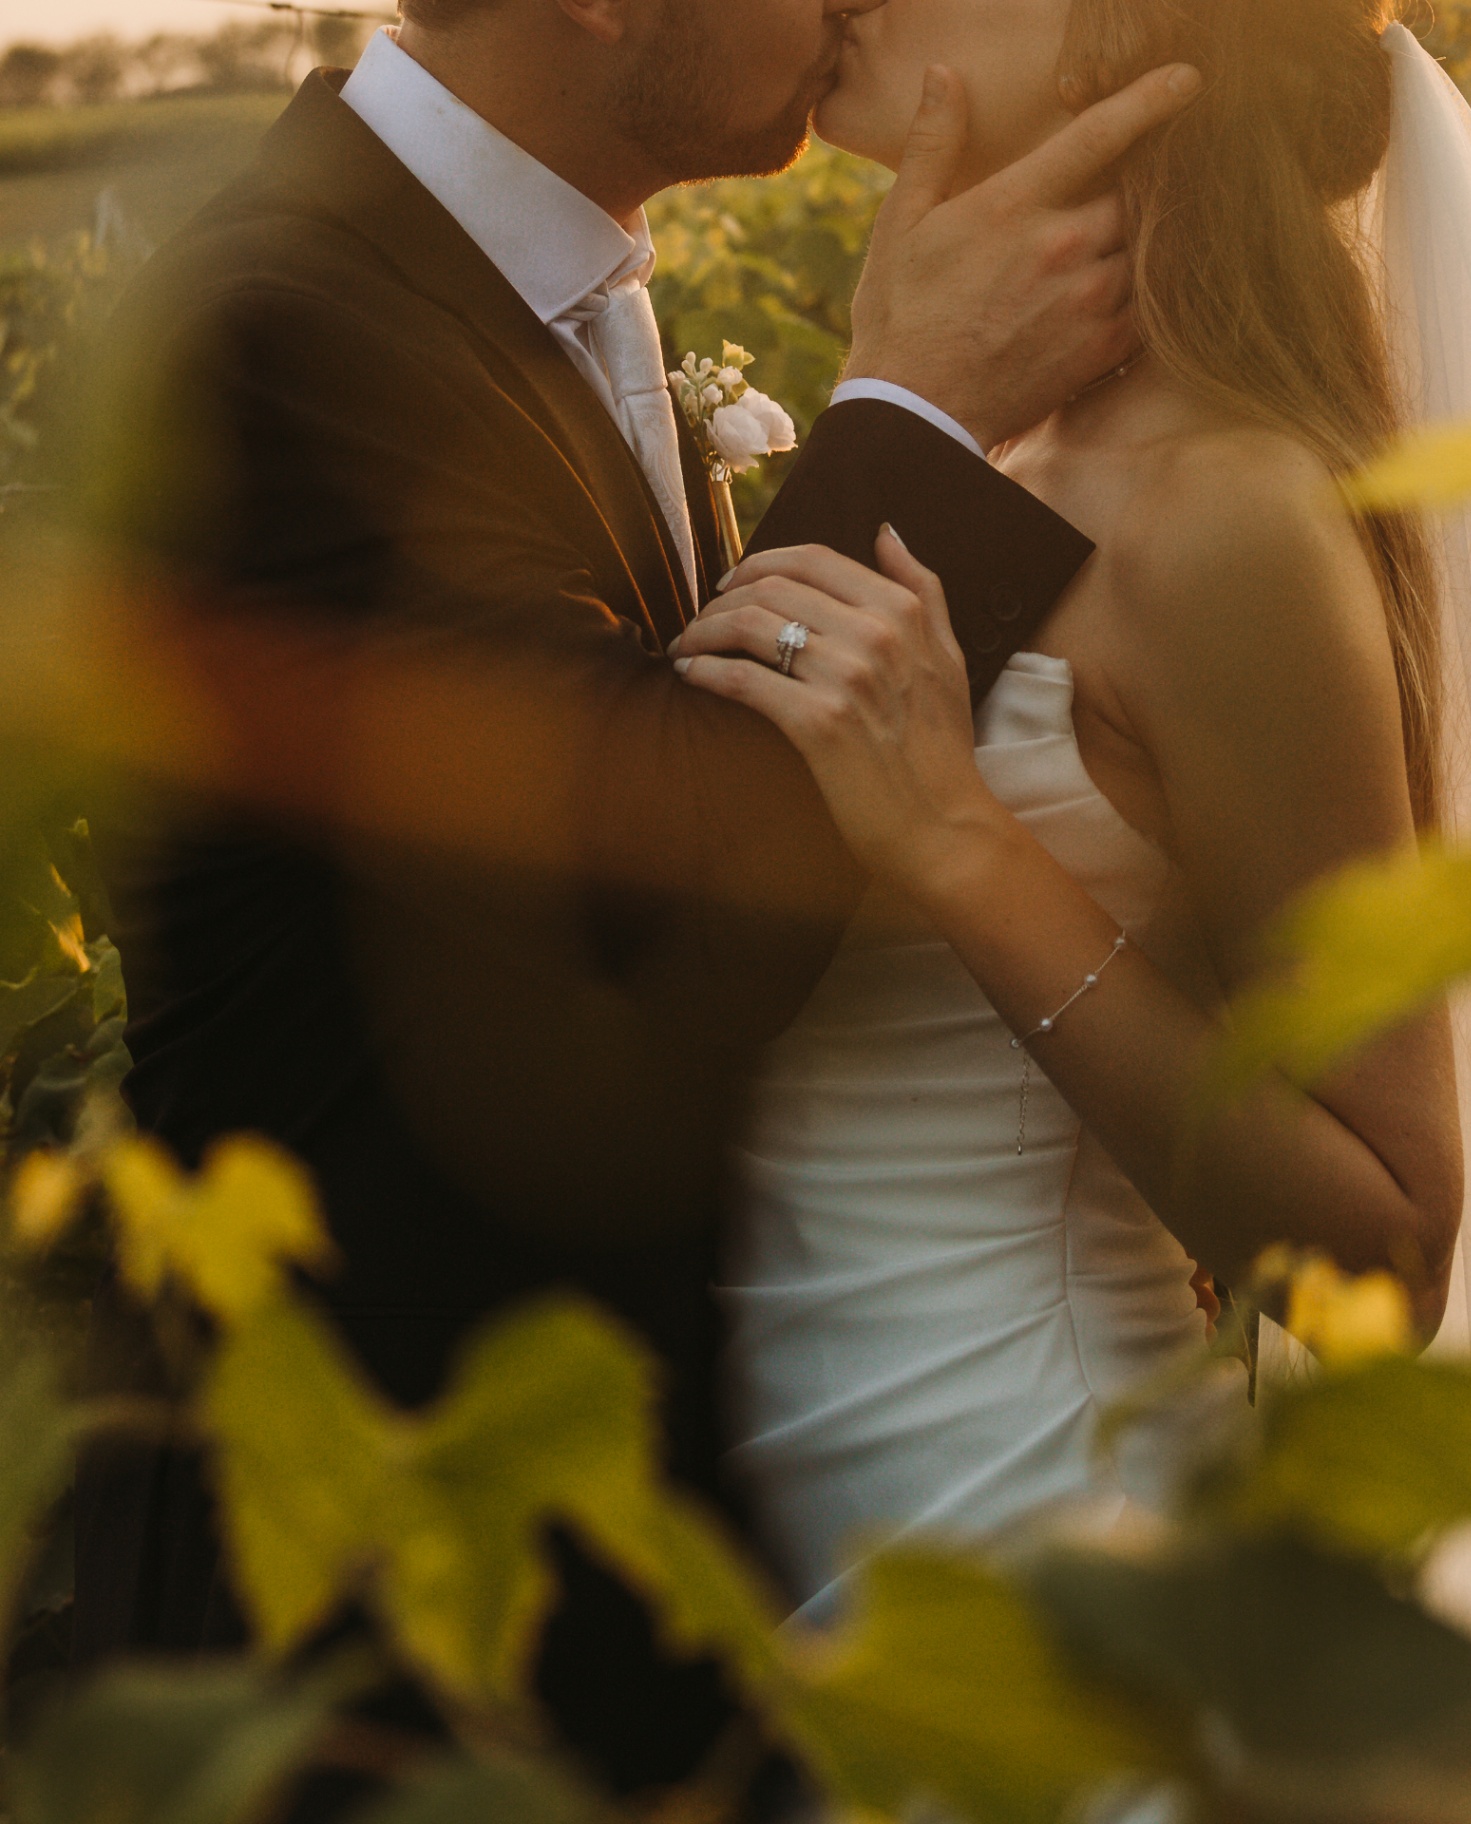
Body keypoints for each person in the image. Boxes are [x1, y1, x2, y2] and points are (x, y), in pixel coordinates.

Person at [70, 0, 1202, 1803]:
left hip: (646, 1573)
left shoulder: (534, 283)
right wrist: (914, 410)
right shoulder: (276, 325)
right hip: (408, 1621)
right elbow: (652, 904)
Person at [673, 0, 1466, 1616]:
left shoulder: (1230, 512)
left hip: (1025, 1528)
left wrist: (967, 851)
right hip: (797, 1536)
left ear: (1129, 31)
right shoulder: (1004, 446)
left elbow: (1389, 1252)